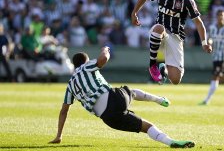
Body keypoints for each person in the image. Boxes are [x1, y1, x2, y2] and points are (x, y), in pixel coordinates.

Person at [49, 46, 195, 148]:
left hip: (108, 118)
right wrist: (105, 49)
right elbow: (103, 59)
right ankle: (160, 100)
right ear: (85, 62)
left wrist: (59, 135)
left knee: (145, 127)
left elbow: (64, 111)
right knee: (131, 92)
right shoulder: (85, 67)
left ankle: (171, 142)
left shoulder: (69, 85)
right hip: (113, 99)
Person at [131, 0, 212, 85]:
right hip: (159, 33)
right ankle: (153, 64)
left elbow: (198, 22)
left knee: (175, 79)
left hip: (176, 37)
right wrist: (134, 13)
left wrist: (204, 43)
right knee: (159, 28)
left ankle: (162, 66)